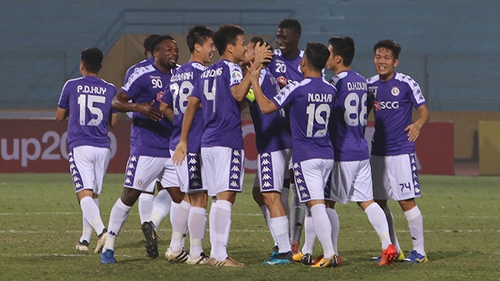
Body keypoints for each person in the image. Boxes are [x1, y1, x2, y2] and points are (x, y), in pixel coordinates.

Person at [173, 24, 272, 267]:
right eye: (241, 44)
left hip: (207, 142)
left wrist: (184, 140)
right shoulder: (233, 70)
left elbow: (193, 103)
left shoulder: (206, 73)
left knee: (216, 197)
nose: (244, 48)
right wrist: (254, 67)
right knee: (225, 197)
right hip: (227, 141)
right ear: (230, 48)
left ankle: (210, 253)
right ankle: (219, 255)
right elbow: (239, 95)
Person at [249, 42, 339, 268]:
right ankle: (307, 251)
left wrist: (254, 82)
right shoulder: (331, 90)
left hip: (306, 155)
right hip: (326, 153)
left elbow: (266, 107)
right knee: (313, 204)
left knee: (315, 204)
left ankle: (330, 254)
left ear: (305, 62)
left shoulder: (296, 88)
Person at [100, 35, 181, 264]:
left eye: (175, 49)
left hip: (174, 147)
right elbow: (116, 102)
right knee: (129, 197)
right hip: (147, 147)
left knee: (182, 199)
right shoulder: (142, 74)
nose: (174, 53)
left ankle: (178, 247)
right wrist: (139, 107)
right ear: (156, 53)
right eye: (168, 50)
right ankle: (109, 247)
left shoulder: (180, 75)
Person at [322, 36, 396, 266]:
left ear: (338, 58)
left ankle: (331, 253)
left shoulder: (335, 83)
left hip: (341, 152)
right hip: (360, 149)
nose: (326, 56)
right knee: (367, 201)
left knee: (326, 203)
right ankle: (387, 245)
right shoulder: (362, 81)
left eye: (329, 52)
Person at [367, 39, 430, 263]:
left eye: (386, 58)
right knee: (379, 201)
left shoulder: (406, 83)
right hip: (378, 152)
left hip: (401, 151)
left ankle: (420, 252)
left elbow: (423, 111)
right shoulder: (370, 85)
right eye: (378, 57)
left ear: (395, 61)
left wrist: (418, 125)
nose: (381, 62)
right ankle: (393, 249)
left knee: (406, 201)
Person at [159, 24, 215, 264]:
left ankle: (174, 247)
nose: (213, 50)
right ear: (198, 47)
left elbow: (163, 107)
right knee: (200, 197)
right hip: (193, 144)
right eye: (210, 46)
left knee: (187, 198)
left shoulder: (177, 73)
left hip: (178, 143)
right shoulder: (204, 73)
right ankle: (195, 253)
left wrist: (180, 125)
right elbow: (203, 104)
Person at [56, 47, 117, 254]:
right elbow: (114, 122)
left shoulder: (71, 85)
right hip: (103, 147)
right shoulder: (110, 88)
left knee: (83, 194)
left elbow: (59, 116)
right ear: (101, 66)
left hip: (81, 146)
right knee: (92, 195)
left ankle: (102, 232)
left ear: (82, 64)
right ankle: (84, 240)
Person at [245, 37, 293, 265]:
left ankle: (284, 250)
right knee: (259, 192)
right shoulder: (270, 77)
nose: (244, 51)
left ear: (258, 54)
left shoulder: (258, 77)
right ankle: (280, 240)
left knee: (271, 195)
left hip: (271, 144)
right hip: (282, 142)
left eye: (248, 49)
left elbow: (239, 98)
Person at [124, 33, 174, 242]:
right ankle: (151, 225)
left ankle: (148, 227)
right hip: (168, 135)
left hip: (142, 135)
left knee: (144, 185)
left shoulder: (133, 70)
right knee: (171, 189)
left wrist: (138, 113)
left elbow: (126, 105)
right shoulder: (168, 70)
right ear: (154, 51)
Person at [267, 18, 305, 255]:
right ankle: (280, 240)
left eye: (285, 36)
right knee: (273, 189)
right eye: (278, 35)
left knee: (298, 187)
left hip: (299, 135)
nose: (280, 40)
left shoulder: (307, 61)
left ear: (296, 37)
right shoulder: (272, 59)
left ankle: (294, 240)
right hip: (276, 134)